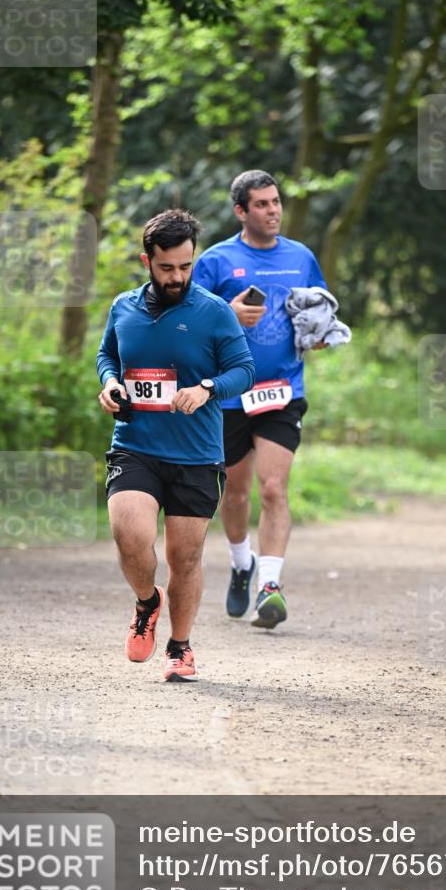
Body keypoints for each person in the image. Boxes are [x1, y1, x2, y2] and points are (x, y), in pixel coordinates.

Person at [96, 209, 255, 681]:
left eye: (185, 266)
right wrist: (109, 384)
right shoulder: (123, 307)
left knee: (183, 557)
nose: (177, 277)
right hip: (135, 444)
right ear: (148, 261)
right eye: (167, 268)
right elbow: (108, 354)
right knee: (130, 536)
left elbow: (243, 370)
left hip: (197, 455)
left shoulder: (213, 311)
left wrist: (207, 387)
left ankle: (179, 647)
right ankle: (147, 602)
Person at [193, 170, 327, 628]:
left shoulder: (301, 257)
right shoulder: (214, 261)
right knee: (234, 494)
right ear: (241, 211)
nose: (273, 211)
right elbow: (187, 324)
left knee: (272, 488)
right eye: (263, 204)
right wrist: (226, 313)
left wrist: (320, 334)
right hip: (229, 394)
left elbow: (316, 309)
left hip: (282, 391)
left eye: (276, 202)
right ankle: (240, 563)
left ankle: (269, 586)